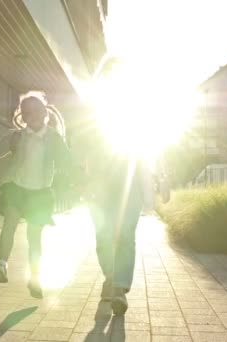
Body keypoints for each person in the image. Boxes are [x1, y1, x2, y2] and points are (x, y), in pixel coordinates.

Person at [78, 56, 165, 316]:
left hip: (131, 183)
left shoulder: (140, 103)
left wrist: (162, 177)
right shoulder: (93, 106)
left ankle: (119, 288)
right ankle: (111, 276)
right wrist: (81, 178)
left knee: (125, 235)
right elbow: (84, 143)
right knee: (103, 236)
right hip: (100, 184)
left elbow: (152, 143)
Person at [0, 91, 72, 299]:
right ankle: (1, 265)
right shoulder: (17, 137)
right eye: (26, 112)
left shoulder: (53, 138)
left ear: (45, 113)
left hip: (40, 194)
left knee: (34, 237)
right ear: (22, 116)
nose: (30, 115)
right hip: (17, 188)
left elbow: (66, 161)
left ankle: (35, 278)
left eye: (35, 111)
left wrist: (80, 180)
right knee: (9, 224)